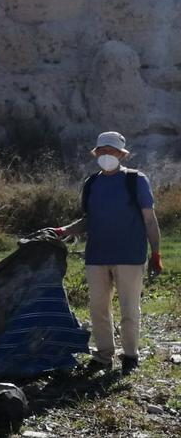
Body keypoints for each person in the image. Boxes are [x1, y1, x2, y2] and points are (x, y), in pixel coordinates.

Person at [47, 131, 163, 375]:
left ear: (121, 154)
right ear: (96, 153)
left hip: (130, 257)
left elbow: (150, 221)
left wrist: (156, 254)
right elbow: (88, 220)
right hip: (97, 257)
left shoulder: (136, 180)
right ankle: (103, 355)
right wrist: (64, 230)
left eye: (111, 151)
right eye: (102, 151)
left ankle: (130, 356)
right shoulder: (92, 183)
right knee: (98, 308)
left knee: (129, 310)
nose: (106, 155)